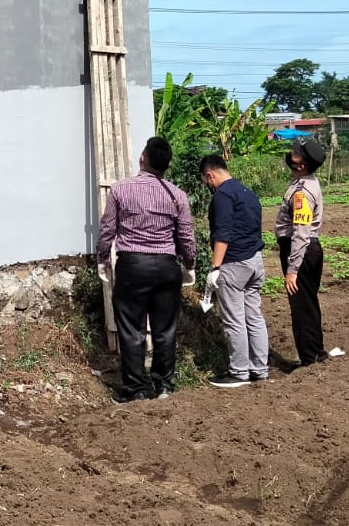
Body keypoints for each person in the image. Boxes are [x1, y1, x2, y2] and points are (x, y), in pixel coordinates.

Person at [96, 136, 197, 403]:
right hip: (166, 267)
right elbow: (186, 236)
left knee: (132, 330)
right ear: (168, 164)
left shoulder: (120, 191)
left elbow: (108, 229)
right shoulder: (177, 195)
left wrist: (102, 259)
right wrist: (190, 265)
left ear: (143, 158)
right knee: (165, 329)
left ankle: (135, 390)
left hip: (133, 267)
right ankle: (164, 386)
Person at [199, 154, 269, 388]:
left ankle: (239, 372)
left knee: (234, 320)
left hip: (234, 263)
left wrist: (215, 267)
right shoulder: (247, 193)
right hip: (255, 261)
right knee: (254, 317)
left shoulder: (223, 196)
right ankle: (260, 369)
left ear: (210, 175)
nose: (208, 186)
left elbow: (223, 233)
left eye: (205, 181)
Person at [275, 137, 327, 368]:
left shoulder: (302, 193)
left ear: (302, 164)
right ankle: (316, 352)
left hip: (301, 251)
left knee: (301, 306)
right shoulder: (305, 182)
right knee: (309, 302)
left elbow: (300, 232)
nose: (290, 154)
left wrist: (292, 269)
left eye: (295, 153)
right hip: (309, 250)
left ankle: (309, 358)